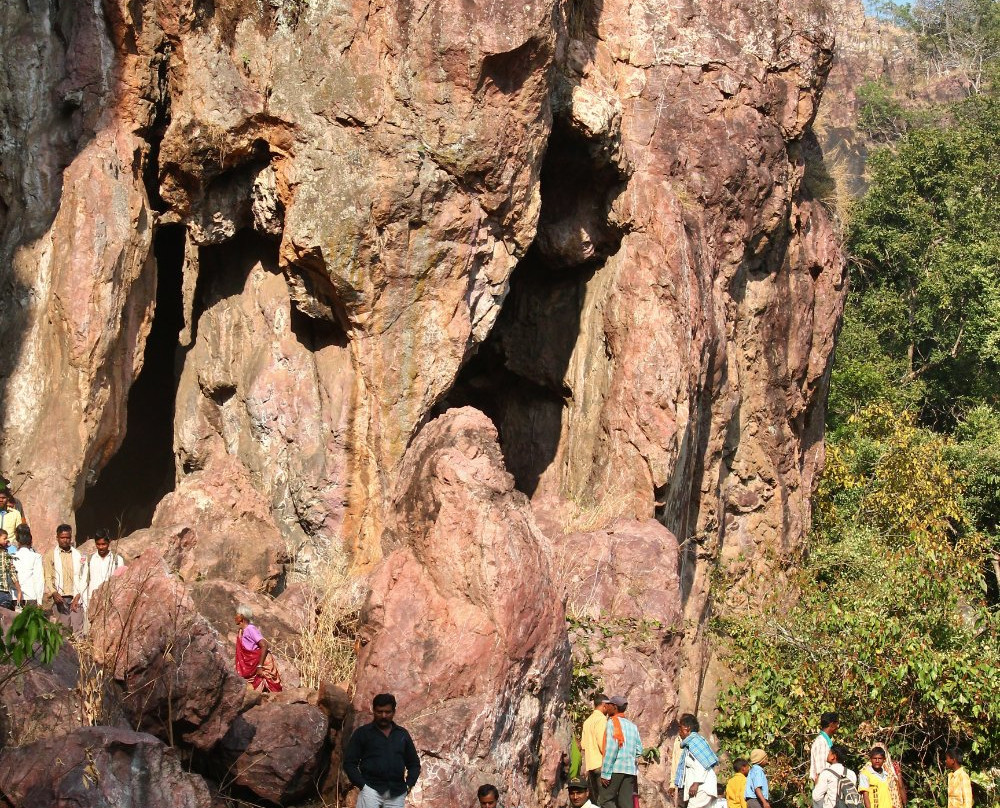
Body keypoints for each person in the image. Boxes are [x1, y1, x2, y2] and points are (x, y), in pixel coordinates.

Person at [344, 693, 421, 807]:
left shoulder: (402, 735)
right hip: (370, 791)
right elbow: (349, 763)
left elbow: (414, 764)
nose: (383, 716)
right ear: (373, 711)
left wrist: (408, 785)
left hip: (397, 793)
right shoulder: (362, 733)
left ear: (393, 712)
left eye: (387, 712)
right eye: (379, 712)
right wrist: (363, 786)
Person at [599, 695, 643, 808]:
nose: (606, 707)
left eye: (608, 705)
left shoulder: (612, 723)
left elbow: (611, 750)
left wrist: (605, 774)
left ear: (614, 707)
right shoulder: (632, 726)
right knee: (626, 804)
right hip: (629, 771)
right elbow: (639, 750)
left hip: (616, 769)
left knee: (605, 800)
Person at [44, 524, 85, 633]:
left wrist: (78, 596)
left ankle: (78, 649)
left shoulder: (78, 554)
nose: (65, 540)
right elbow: (47, 576)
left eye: (67, 538)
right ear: (57, 537)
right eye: (62, 537)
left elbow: (82, 576)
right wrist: (54, 593)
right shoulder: (50, 555)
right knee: (63, 630)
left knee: (78, 629)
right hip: (60, 598)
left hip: (75, 596)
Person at [234, 604, 282, 692]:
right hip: (251, 664)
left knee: (268, 688)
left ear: (241, 617)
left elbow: (264, 645)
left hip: (261, 663)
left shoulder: (250, 629)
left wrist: (260, 666)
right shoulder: (241, 631)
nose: (235, 617)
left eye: (236, 614)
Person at [676, 713, 720, 806]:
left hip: (702, 787)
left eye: (680, 727)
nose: (679, 731)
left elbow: (701, 765)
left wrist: (696, 783)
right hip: (702, 787)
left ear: (687, 728)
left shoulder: (694, 742)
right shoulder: (693, 741)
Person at [82, 529, 125, 613]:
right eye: (98, 544)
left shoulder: (117, 560)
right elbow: (84, 581)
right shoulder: (90, 560)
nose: (101, 547)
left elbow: (121, 582)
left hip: (110, 602)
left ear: (109, 542)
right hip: (92, 601)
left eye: (103, 544)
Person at [582, 693, 613, 802]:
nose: (609, 709)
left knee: (597, 800)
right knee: (606, 800)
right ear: (604, 705)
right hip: (601, 766)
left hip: (591, 766)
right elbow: (603, 744)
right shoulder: (601, 720)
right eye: (608, 706)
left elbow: (583, 745)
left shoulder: (587, 721)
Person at [12, 525, 44, 607]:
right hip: (31, 597)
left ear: (17, 540)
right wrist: (39, 601)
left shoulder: (11, 557)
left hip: (14, 597)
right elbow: (38, 579)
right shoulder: (36, 556)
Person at [810, 713, 840, 786]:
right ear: (832, 724)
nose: (837, 727)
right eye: (837, 724)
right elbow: (821, 771)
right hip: (824, 787)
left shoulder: (826, 741)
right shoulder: (821, 742)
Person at [0, 530, 22, 610]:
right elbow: (12, 572)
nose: (6, 541)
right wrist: (19, 589)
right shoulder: (5, 554)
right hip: (3, 592)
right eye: (4, 538)